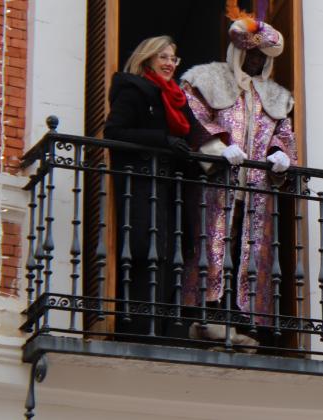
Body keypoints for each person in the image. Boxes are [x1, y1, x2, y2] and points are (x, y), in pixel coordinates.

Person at [180, 7, 294, 346]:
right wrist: (217, 147)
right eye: (252, 54)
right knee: (212, 246)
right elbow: (193, 115)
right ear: (239, 52)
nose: (257, 62)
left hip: (256, 191)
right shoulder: (207, 78)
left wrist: (281, 154)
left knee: (249, 252)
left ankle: (241, 321)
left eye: (262, 56)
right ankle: (206, 317)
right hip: (215, 184)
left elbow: (283, 133)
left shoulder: (276, 96)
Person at [104, 35, 207, 339]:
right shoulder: (133, 89)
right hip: (140, 185)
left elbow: (190, 139)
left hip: (169, 189)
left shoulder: (176, 97)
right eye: (163, 57)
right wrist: (162, 141)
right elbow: (115, 131)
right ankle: (138, 328)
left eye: (173, 59)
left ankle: (167, 329)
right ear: (148, 58)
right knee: (144, 251)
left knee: (170, 254)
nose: (169, 64)